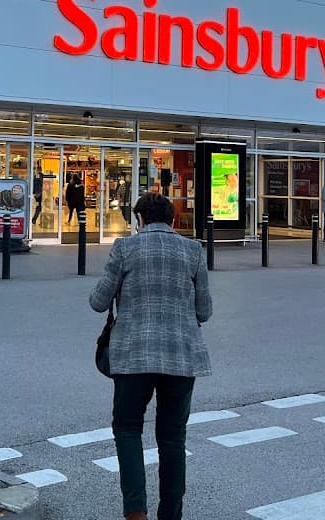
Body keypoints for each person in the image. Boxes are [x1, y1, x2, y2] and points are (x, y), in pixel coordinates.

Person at [90, 192, 212, 520]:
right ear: (172, 220)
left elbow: (98, 302)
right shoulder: (192, 250)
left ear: (140, 219)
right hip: (181, 357)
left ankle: (136, 511)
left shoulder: (125, 248)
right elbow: (205, 309)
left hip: (132, 357)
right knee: (172, 437)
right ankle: (171, 513)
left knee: (127, 428)